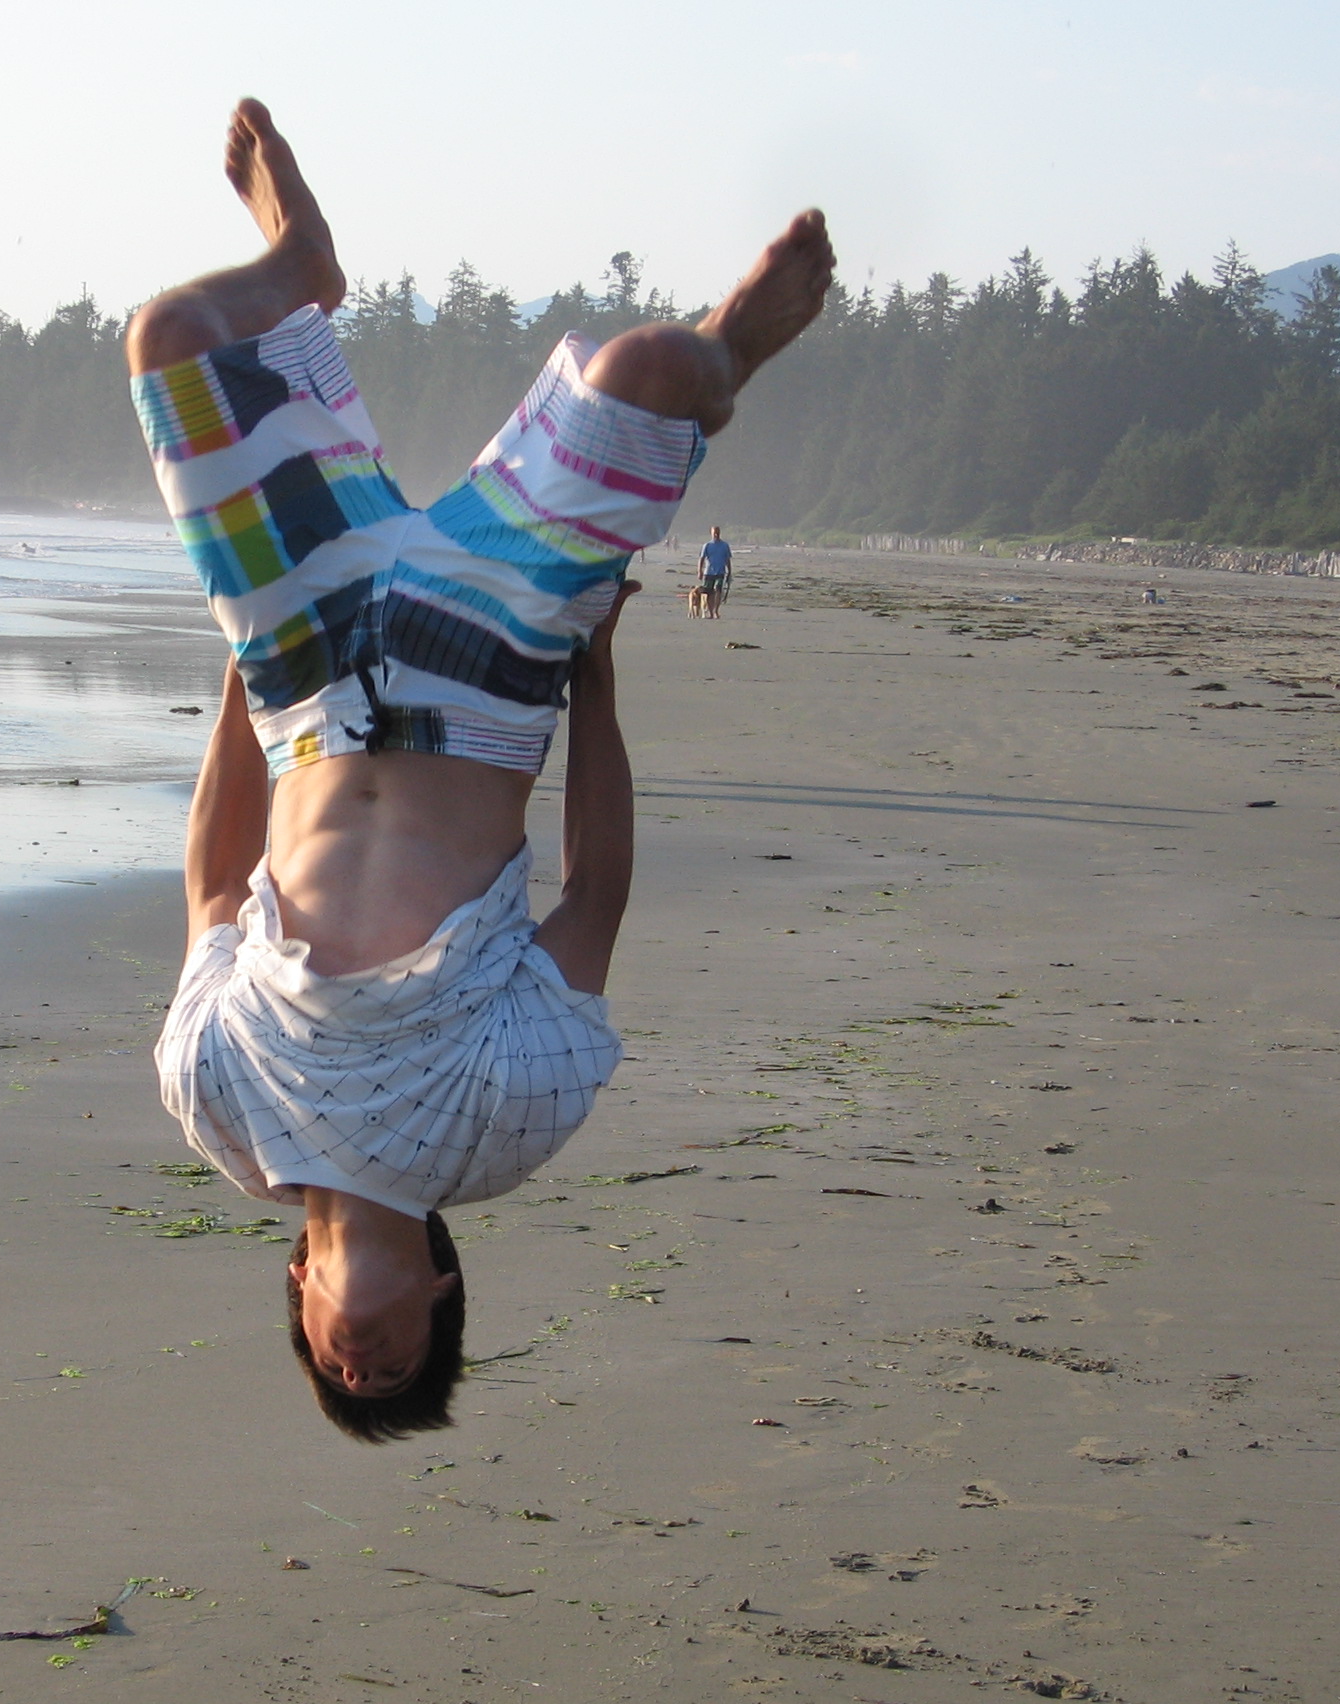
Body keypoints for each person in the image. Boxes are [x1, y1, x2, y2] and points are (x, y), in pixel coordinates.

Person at [132, 99, 833, 1440]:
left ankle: (300, 268)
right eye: (398, 1369)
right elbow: (595, 895)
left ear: (299, 1293)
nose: (363, 1362)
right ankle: (731, 356)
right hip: (487, 674)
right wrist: (597, 682)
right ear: (444, 1294)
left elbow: (214, 884)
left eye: (338, 1372)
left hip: (303, 677)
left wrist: (241, 676)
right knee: (648, 368)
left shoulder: (218, 1111)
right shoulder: (501, 1131)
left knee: (173, 342)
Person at [697, 526, 733, 618]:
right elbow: (702, 559)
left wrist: (729, 571)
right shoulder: (707, 545)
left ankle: (716, 610)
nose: (716, 534)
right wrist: (699, 571)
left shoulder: (725, 545)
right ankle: (711, 612)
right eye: (714, 533)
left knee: (718, 590)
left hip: (720, 572)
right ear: (711, 533)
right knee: (709, 593)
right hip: (708, 572)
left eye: (717, 532)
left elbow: (727, 559)